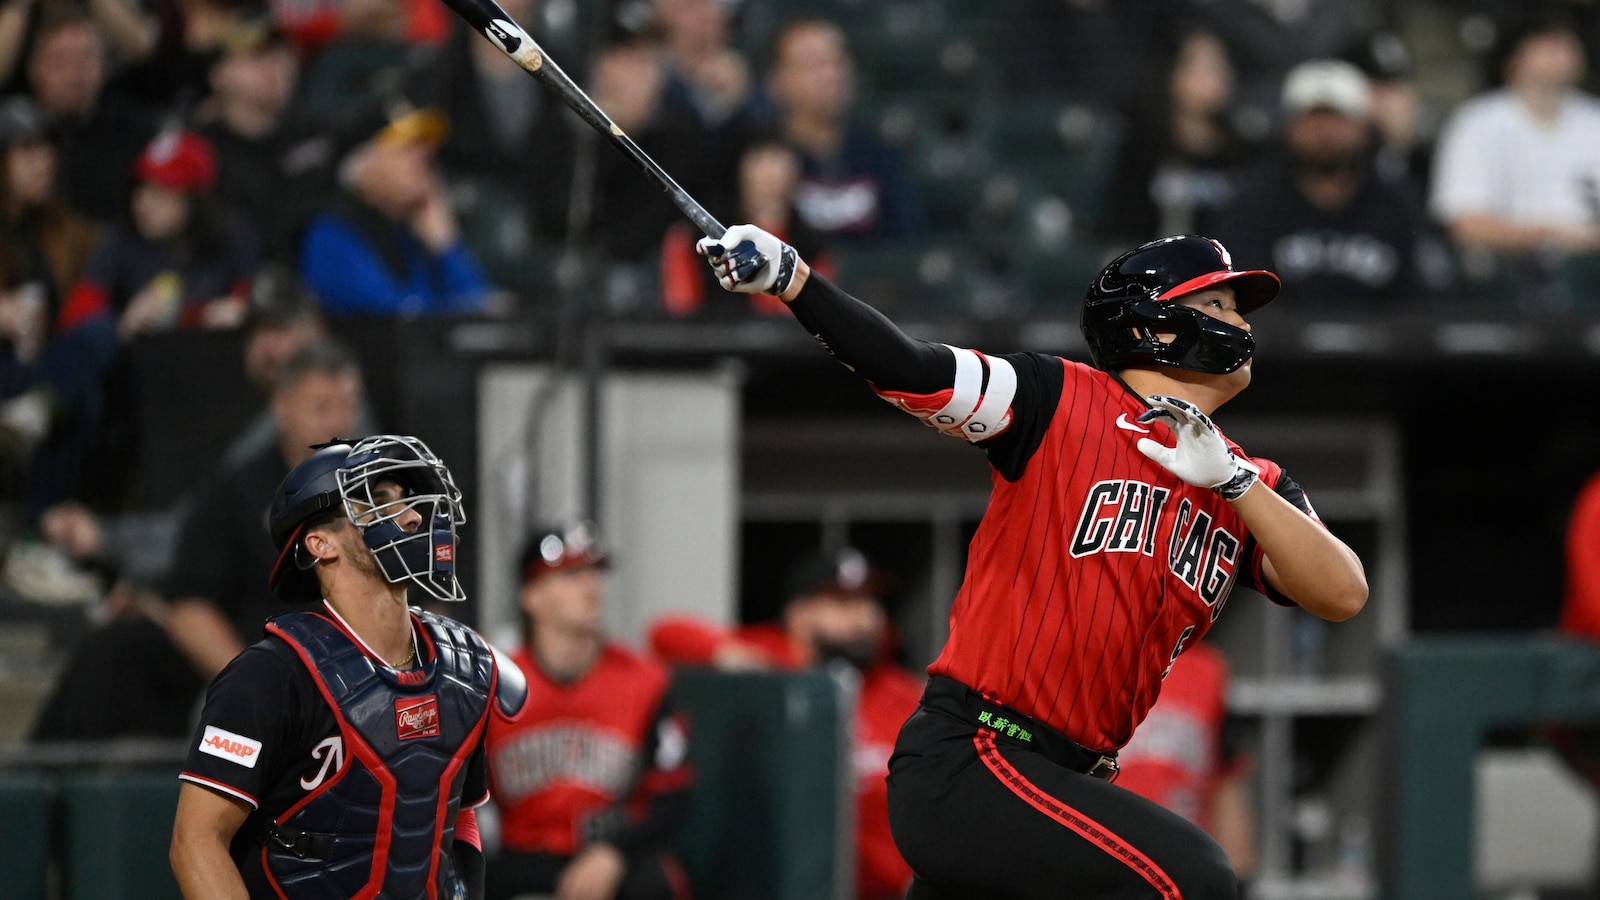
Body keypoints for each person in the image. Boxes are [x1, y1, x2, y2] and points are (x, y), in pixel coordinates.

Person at [694, 225, 1367, 898]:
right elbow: (912, 366)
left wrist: (1233, 483)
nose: (1239, 322)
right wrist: (796, 285)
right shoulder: (1058, 397)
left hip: (1061, 780)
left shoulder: (1250, 483)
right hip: (979, 754)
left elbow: (1343, 593)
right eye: (1216, 306)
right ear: (1154, 327)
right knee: (1192, 880)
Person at [169, 433, 528, 897]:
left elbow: (454, 815)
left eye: (409, 499)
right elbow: (195, 842)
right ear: (319, 543)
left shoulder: (464, 666)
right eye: (379, 499)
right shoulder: (270, 676)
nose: (414, 515)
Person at [650, 545, 923, 900]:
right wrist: (729, 656)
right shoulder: (772, 661)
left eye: (870, 603)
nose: (864, 618)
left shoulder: (901, 693)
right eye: (843, 604)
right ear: (799, 614)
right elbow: (665, 633)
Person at [486, 522, 693, 900]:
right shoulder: (494, 683)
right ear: (531, 597)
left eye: (595, 573)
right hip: (522, 859)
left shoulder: (644, 680)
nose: (591, 587)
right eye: (571, 575)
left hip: (614, 853)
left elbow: (673, 799)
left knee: (657, 885)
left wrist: (614, 853)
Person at [163, 340, 363, 680]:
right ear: (281, 407)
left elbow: (423, 598)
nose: (337, 423)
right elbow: (188, 607)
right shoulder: (237, 493)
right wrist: (251, 682)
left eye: (346, 406)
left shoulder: (382, 492)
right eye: (321, 407)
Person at [1210, 58, 1444, 307]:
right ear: (1289, 127)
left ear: (1363, 127)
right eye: (1312, 119)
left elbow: (1420, 302)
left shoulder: (1397, 206)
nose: (1324, 132)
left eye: (1337, 119)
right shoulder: (1252, 206)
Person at [1429, 12, 1600, 260]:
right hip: (1507, 272)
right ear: (1514, 57)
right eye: (1547, 42)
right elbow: (1464, 223)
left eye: (1567, 42)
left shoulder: (1594, 119)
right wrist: (1549, 235)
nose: (1561, 52)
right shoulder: (1478, 121)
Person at [297, 100, 492, 317]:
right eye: (406, 148)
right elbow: (397, 321)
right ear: (362, 167)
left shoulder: (411, 230)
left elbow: (482, 313)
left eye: (423, 147)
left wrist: (445, 246)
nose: (424, 157)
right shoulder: (331, 234)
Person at [762, 17, 924, 243]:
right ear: (777, 80)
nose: (831, 75)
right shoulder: (762, 160)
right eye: (814, 64)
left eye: (838, 61)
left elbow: (906, 245)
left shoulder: (879, 154)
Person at [1110, 640, 1256, 879]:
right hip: (1106, 857)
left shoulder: (1208, 669)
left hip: (1184, 862)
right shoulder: (1094, 663)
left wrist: (1238, 878)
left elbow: (1225, 781)